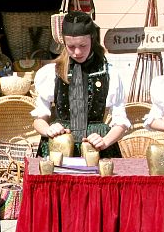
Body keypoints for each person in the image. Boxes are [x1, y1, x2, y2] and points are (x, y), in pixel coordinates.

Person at [32, 11, 130, 157]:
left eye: (83, 45)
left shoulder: (108, 73)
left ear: (92, 39)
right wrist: (49, 130)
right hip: (61, 146)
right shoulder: (53, 72)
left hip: (96, 147)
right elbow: (39, 120)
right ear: (64, 43)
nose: (77, 52)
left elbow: (120, 122)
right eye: (71, 47)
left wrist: (105, 141)